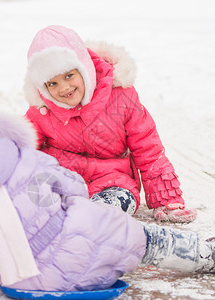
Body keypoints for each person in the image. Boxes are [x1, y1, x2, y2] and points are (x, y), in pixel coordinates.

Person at [0, 97, 215, 292]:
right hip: (83, 242)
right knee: (142, 239)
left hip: (30, 283)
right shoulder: (21, 157)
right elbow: (71, 185)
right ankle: (209, 256)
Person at [24, 25, 196, 223]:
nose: (64, 88)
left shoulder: (121, 97)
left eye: (69, 75)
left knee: (109, 211)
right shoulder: (41, 110)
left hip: (112, 182)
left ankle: (89, 220)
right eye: (52, 83)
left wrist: (166, 197)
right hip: (62, 181)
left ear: (85, 68)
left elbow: (148, 148)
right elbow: (22, 151)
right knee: (33, 203)